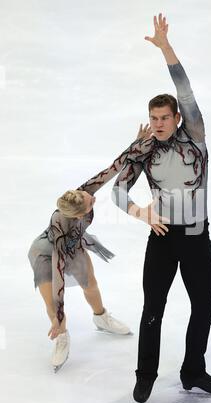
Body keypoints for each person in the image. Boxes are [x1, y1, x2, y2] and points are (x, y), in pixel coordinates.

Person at [112, 14, 211, 402]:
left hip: (196, 234)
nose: (158, 123)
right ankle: (146, 374)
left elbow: (187, 91)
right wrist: (140, 213)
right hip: (161, 236)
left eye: (165, 117)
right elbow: (118, 190)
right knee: (153, 308)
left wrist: (166, 49)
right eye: (153, 118)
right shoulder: (145, 150)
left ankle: (193, 370)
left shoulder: (195, 136)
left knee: (205, 305)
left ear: (177, 118)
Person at [28, 124, 152, 372]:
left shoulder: (80, 194)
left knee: (90, 285)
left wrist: (135, 144)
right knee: (51, 301)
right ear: (80, 214)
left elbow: (111, 169)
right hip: (45, 252)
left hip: (75, 243)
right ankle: (61, 335)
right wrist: (60, 316)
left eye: (87, 195)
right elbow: (58, 278)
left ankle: (101, 317)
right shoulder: (61, 229)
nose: (91, 196)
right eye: (89, 201)